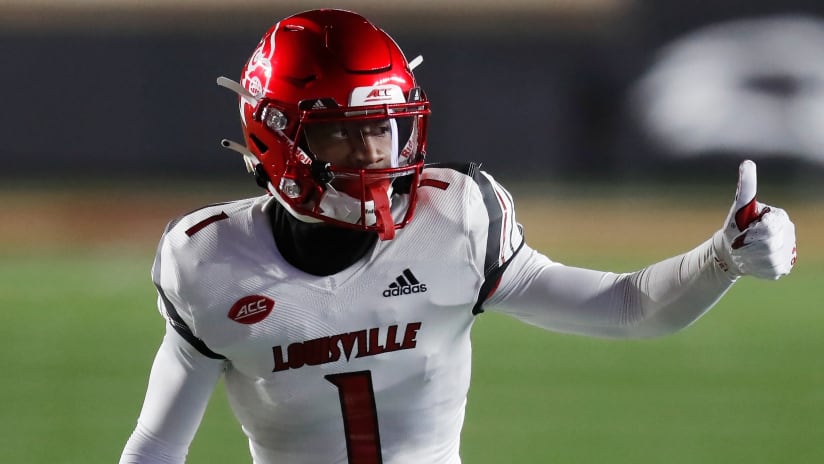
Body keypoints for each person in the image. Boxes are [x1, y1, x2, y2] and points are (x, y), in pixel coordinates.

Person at [119, 8, 797, 464]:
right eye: (341, 134)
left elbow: (629, 308)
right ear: (275, 139)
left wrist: (723, 258)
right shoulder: (209, 262)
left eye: (383, 128)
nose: (374, 155)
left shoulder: (455, 222)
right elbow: (157, 447)